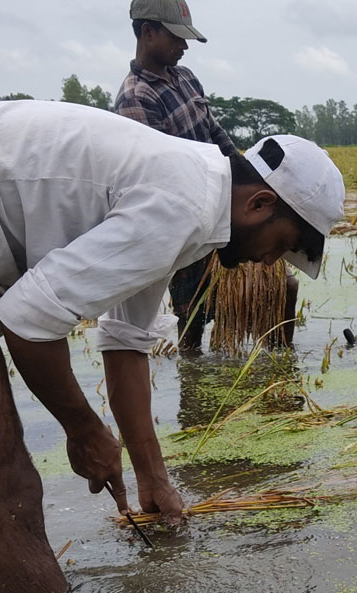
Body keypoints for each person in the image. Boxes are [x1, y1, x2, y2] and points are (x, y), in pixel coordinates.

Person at [0, 100, 344, 593]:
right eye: (284, 244)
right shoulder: (181, 205)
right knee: (10, 481)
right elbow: (27, 323)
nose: (272, 260)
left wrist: (153, 476)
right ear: (260, 204)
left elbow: (125, 343)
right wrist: (85, 430)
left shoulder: (191, 195)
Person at [115, 0, 298, 352]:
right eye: (177, 38)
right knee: (193, 318)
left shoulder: (185, 78)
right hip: (188, 226)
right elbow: (164, 177)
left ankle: (280, 365)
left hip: (226, 209)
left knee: (283, 287)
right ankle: (192, 383)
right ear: (148, 32)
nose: (184, 46)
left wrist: (250, 181)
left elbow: (216, 135)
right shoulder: (136, 98)